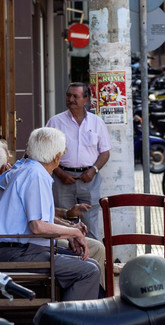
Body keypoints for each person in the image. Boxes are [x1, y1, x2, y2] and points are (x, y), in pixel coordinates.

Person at [0, 127, 100, 301]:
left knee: (90, 264)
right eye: (62, 153)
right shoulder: (35, 175)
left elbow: (41, 220)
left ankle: (70, 318)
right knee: (88, 271)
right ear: (56, 156)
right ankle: (68, 324)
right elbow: (37, 226)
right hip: (20, 254)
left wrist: (68, 232)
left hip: (24, 250)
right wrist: (75, 232)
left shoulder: (31, 170)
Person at [47, 83, 112, 241]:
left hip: (89, 179)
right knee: (64, 224)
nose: (71, 99)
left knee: (90, 224)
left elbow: (105, 152)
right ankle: (69, 262)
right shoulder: (55, 122)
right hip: (63, 179)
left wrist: (93, 171)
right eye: (69, 95)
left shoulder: (96, 122)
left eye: (75, 96)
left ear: (86, 99)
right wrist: (60, 173)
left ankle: (93, 262)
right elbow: (46, 152)